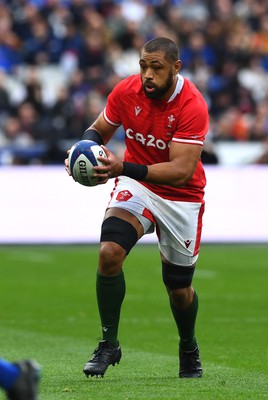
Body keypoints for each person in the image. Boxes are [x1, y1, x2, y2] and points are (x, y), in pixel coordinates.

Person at [65, 37, 209, 379]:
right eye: (143, 65)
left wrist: (122, 167)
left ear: (176, 68)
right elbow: (99, 129)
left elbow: (181, 171)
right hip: (138, 186)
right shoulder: (126, 91)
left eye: (156, 68)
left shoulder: (192, 105)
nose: (147, 74)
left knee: (178, 289)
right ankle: (108, 344)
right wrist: (83, 150)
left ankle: (188, 344)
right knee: (109, 252)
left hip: (181, 196)